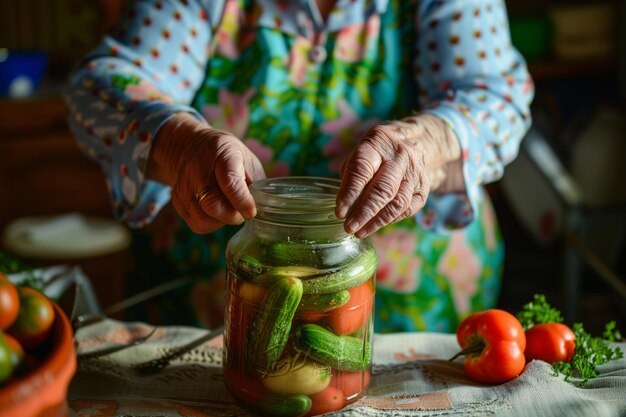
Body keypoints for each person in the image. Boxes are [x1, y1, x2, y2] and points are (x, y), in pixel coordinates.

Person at [66, 0, 534, 332]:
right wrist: (182, 144)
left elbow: (496, 94)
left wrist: (429, 142)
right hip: (207, 305)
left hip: (412, 301)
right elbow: (104, 84)